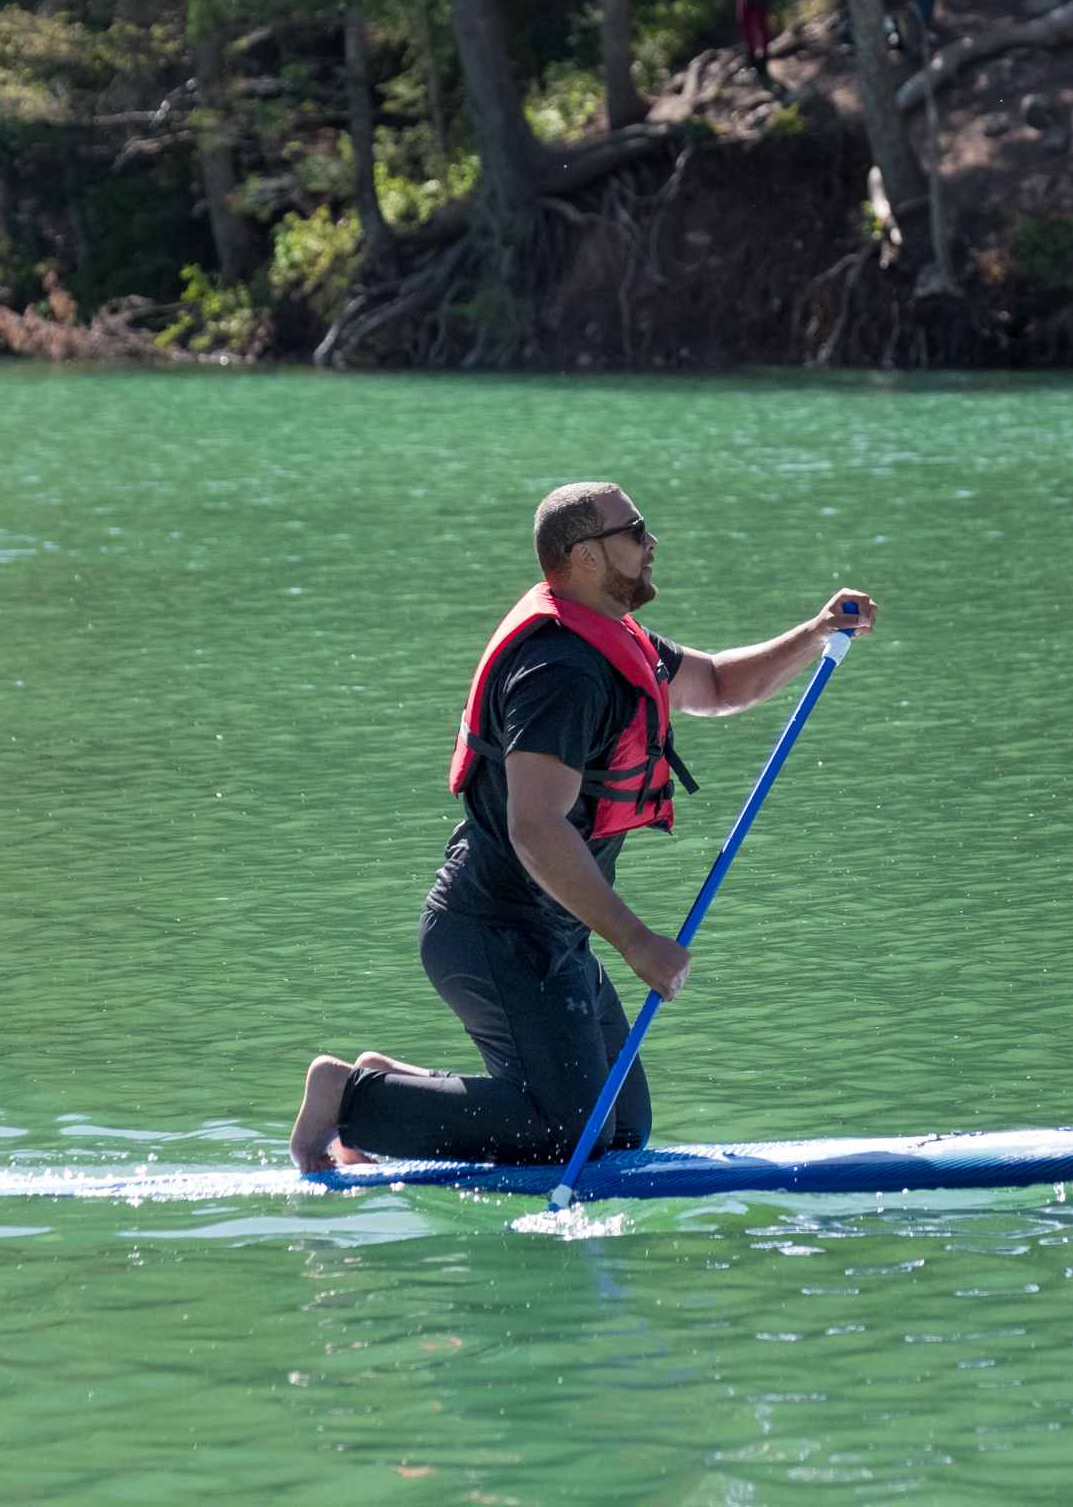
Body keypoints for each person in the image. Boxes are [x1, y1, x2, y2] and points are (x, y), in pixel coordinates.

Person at [290, 481, 877, 1172]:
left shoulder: (615, 639)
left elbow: (718, 684)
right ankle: (347, 1098)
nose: (652, 543)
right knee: (568, 1138)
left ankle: (397, 1094)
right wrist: (634, 940)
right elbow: (534, 826)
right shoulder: (561, 672)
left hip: (553, 931)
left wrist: (815, 635)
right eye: (636, 531)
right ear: (585, 556)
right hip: (494, 931)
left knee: (620, 1131)